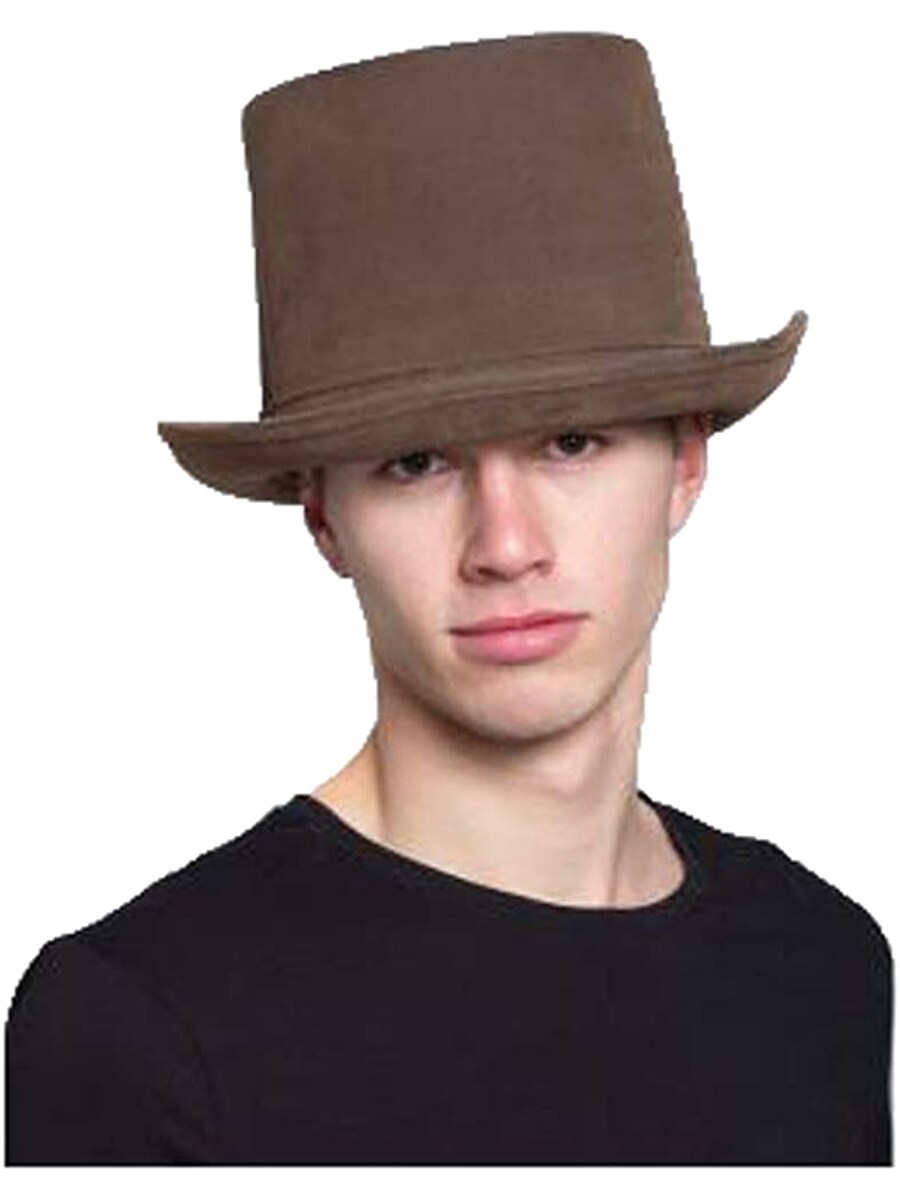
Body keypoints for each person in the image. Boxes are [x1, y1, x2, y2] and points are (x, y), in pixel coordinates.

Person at [5, 32, 892, 1166]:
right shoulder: (141, 1031)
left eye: (572, 441)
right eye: (416, 463)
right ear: (323, 515)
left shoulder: (822, 968)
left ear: (685, 461)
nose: (505, 545)